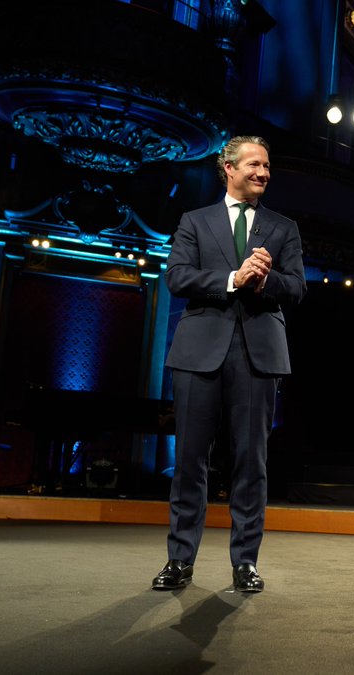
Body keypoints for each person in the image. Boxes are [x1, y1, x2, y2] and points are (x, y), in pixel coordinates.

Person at [151, 135, 306, 592]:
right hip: (200, 353)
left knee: (251, 463)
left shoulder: (283, 227)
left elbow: (296, 288)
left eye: (267, 166)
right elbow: (177, 276)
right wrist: (233, 279)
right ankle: (179, 561)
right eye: (254, 165)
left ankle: (246, 563)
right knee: (190, 463)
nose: (263, 173)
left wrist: (265, 279)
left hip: (258, 355)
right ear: (229, 168)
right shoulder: (195, 222)